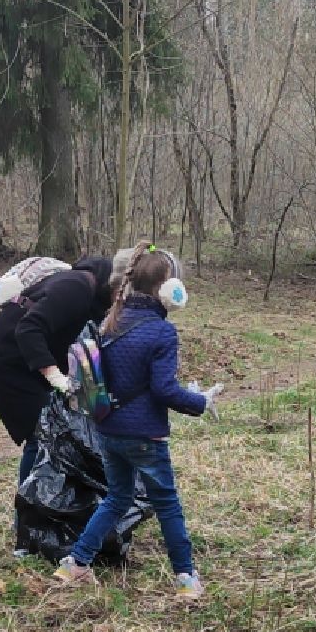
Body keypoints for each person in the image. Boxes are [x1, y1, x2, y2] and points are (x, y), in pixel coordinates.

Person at [52, 244, 220, 600]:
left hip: (109, 430)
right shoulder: (161, 332)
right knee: (167, 504)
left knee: (117, 497)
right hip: (145, 435)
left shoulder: (111, 321)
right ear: (167, 290)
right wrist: (200, 402)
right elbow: (163, 390)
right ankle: (186, 578)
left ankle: (76, 564)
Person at [0, 255, 114, 540]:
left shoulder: (90, 295)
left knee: (48, 435)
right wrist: (54, 377)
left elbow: (84, 344)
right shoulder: (76, 286)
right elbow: (29, 328)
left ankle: (46, 519)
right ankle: (28, 528)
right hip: (5, 364)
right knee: (41, 438)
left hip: (22, 364)